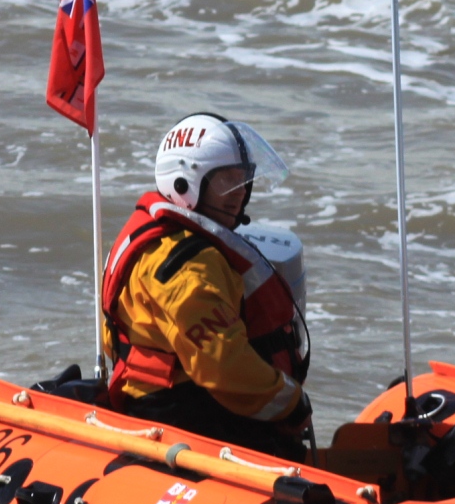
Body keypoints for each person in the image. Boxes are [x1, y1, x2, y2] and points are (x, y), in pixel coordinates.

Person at [99, 113, 313, 457]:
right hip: (178, 412)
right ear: (183, 183)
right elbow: (223, 364)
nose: (238, 194)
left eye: (242, 181)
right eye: (226, 182)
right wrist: (290, 401)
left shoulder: (171, 241)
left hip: (180, 400)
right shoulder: (188, 268)